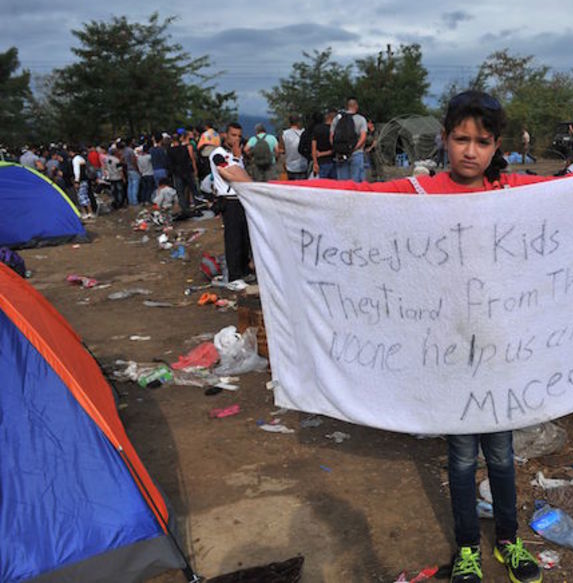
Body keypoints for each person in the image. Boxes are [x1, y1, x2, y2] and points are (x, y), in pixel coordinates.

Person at [217, 91, 547, 583]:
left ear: (496, 144)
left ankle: (508, 541)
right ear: (444, 140)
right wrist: (257, 187)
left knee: (500, 453)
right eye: (461, 139)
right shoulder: (419, 191)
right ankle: (465, 551)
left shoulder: (512, 190)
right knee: (460, 457)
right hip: (450, 349)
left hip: (498, 347)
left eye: (482, 141)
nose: (471, 151)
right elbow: (350, 199)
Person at [210, 123, 252, 283]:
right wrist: (249, 183)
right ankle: (234, 277)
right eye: (233, 135)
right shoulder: (218, 154)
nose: (236, 139)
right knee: (233, 239)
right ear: (225, 135)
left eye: (238, 136)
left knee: (244, 237)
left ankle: (244, 270)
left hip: (242, 199)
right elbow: (229, 174)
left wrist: (237, 157)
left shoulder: (237, 155)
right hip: (229, 200)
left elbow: (239, 172)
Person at [330, 98, 368, 182]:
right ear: (356, 106)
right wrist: (353, 148)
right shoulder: (361, 119)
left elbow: (331, 137)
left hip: (341, 154)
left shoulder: (337, 119)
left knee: (342, 182)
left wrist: (338, 148)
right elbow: (363, 137)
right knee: (356, 182)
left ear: (347, 106)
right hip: (356, 153)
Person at [281, 114, 307, 180]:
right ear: (299, 122)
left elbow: (282, 149)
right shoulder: (304, 133)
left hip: (290, 166)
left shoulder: (284, 134)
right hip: (303, 165)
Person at [312, 109, 336, 179]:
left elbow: (313, 147)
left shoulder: (317, 129)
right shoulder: (335, 130)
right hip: (333, 161)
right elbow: (335, 148)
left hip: (321, 162)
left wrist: (315, 162)